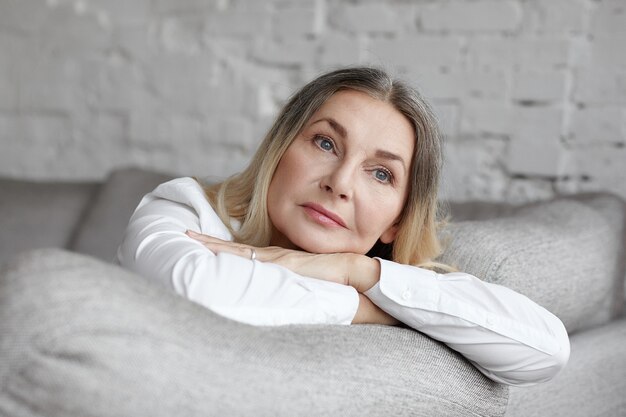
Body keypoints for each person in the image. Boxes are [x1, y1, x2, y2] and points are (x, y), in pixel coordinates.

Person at [117, 67, 570, 387]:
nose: (339, 183)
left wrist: (361, 273)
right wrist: (373, 311)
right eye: (326, 142)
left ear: (396, 221)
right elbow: (202, 295)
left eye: (381, 173)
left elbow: (547, 350)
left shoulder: (381, 280)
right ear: (279, 150)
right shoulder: (181, 209)